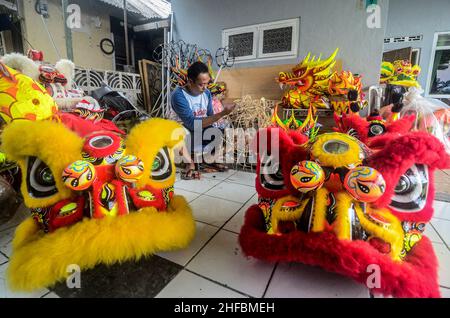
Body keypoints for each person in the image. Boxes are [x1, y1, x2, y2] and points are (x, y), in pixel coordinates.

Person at [171, 61, 235, 179]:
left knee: (218, 132)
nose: (205, 87)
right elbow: (191, 124)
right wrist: (221, 114)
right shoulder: (178, 95)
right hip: (185, 133)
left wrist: (221, 121)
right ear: (190, 82)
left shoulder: (206, 93)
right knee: (175, 134)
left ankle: (209, 160)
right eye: (201, 84)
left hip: (199, 132)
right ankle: (189, 163)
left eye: (207, 83)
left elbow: (210, 115)